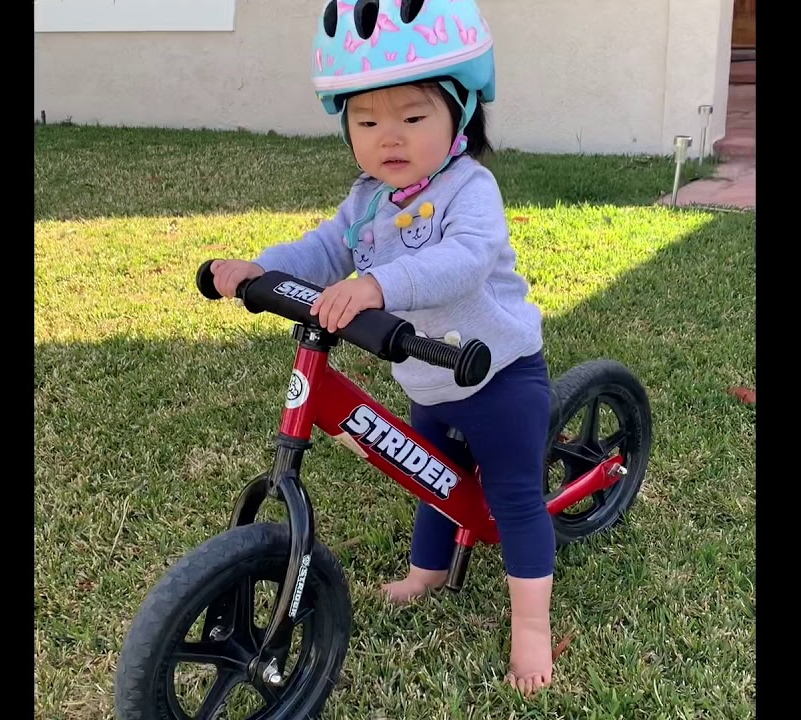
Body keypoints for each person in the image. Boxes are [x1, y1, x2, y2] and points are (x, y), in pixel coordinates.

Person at [209, 0, 556, 696]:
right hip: (429, 378)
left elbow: (464, 259)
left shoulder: (471, 189)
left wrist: (376, 284)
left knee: (515, 498)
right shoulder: (369, 198)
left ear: (460, 113)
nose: (387, 137)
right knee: (431, 477)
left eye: (412, 116)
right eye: (366, 121)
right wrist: (262, 269)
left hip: (499, 374)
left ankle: (532, 628)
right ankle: (427, 571)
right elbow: (326, 245)